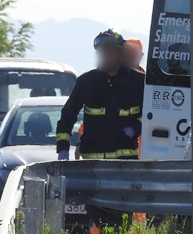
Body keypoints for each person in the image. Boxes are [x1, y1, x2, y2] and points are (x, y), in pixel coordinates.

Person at [56, 30, 144, 161]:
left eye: (111, 52)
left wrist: (133, 129)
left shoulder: (138, 82)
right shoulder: (86, 82)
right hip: (91, 164)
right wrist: (63, 150)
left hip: (125, 164)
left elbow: (151, 114)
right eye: (103, 52)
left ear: (120, 54)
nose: (107, 56)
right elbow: (67, 116)